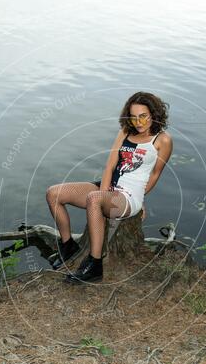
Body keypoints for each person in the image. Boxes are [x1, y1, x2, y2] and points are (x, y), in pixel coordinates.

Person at [45, 91, 173, 284]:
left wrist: (141, 198)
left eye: (143, 116)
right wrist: (104, 192)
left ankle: (95, 265)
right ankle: (68, 245)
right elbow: (110, 165)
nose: (138, 122)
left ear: (154, 114)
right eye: (133, 116)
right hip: (109, 188)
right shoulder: (125, 132)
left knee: (94, 199)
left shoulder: (163, 140)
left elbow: (154, 174)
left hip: (129, 196)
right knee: (53, 193)